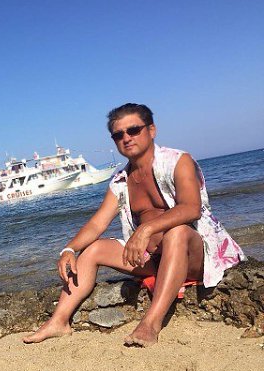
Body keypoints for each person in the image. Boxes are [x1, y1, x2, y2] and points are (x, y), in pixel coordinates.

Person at [23, 103, 245, 347]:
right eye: (118, 135)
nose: (126, 138)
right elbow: (97, 223)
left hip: (194, 255)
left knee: (177, 232)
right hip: (152, 259)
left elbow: (191, 207)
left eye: (133, 130)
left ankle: (151, 323)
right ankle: (58, 322)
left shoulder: (178, 161)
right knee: (93, 249)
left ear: (152, 130)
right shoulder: (120, 181)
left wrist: (145, 229)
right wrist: (68, 249)